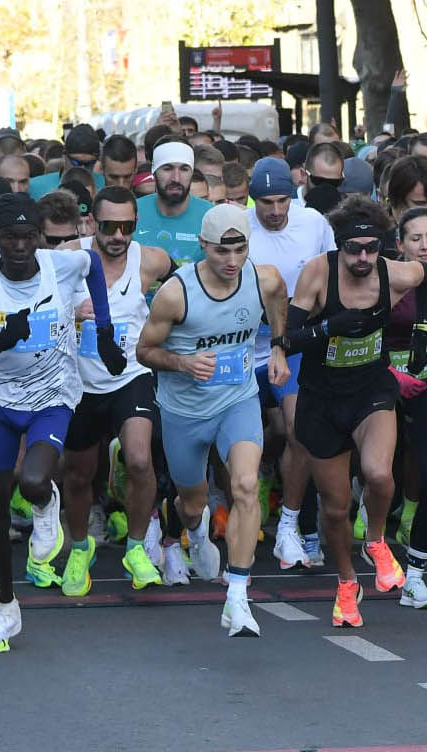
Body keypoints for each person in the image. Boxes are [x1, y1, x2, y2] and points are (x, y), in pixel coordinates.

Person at [0, 193, 124, 652]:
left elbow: (92, 264)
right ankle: (6, 610)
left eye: (30, 237)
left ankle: (46, 504)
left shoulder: (59, 265)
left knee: (31, 479)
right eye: (11, 237)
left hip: (53, 395)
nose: (21, 247)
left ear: (41, 238)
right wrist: (0, 342)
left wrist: (101, 330)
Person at [137, 205, 292, 638]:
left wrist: (278, 347)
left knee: (244, 485)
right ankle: (196, 531)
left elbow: (279, 300)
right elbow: (143, 352)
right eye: (222, 251)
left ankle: (238, 598)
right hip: (184, 411)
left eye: (240, 249)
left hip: (237, 401)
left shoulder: (264, 278)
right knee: (192, 503)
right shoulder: (176, 293)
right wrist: (183, 363)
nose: (231, 261)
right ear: (203, 247)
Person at [276, 196, 423, 627]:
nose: (362, 258)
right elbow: (291, 336)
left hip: (370, 390)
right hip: (322, 399)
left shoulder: (396, 272)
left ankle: (376, 540)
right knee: (335, 508)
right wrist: (329, 327)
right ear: (339, 245)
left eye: (371, 249)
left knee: (379, 474)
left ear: (383, 246)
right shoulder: (319, 272)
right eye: (353, 249)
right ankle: (345, 582)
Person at [60, 187, 174, 595]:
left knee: (141, 460)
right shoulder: (67, 258)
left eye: (128, 227)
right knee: (77, 473)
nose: (118, 236)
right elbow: (27, 298)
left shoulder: (150, 260)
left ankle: (137, 547)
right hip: (78, 382)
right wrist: (68, 313)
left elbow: (188, 284)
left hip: (130, 375)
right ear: (92, 222)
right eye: (109, 227)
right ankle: (78, 548)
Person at [246, 158, 334, 572]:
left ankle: (288, 524)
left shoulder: (313, 222)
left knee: (300, 430)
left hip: (294, 346)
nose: (276, 211)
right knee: (243, 441)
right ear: (252, 199)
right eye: (266, 202)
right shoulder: (236, 225)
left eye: (283, 200)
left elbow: (332, 277)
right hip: (243, 348)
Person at [382, 207, 427, 610]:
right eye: (416, 238)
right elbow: (357, 334)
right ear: (399, 245)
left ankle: (415, 577)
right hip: (376, 385)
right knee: (378, 477)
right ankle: (366, 552)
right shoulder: (385, 280)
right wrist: (390, 377)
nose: (425, 245)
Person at [137, 141, 214, 264]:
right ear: (154, 172)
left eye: (184, 169)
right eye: (167, 169)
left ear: (192, 173)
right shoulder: (132, 211)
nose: (176, 178)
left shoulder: (212, 216)